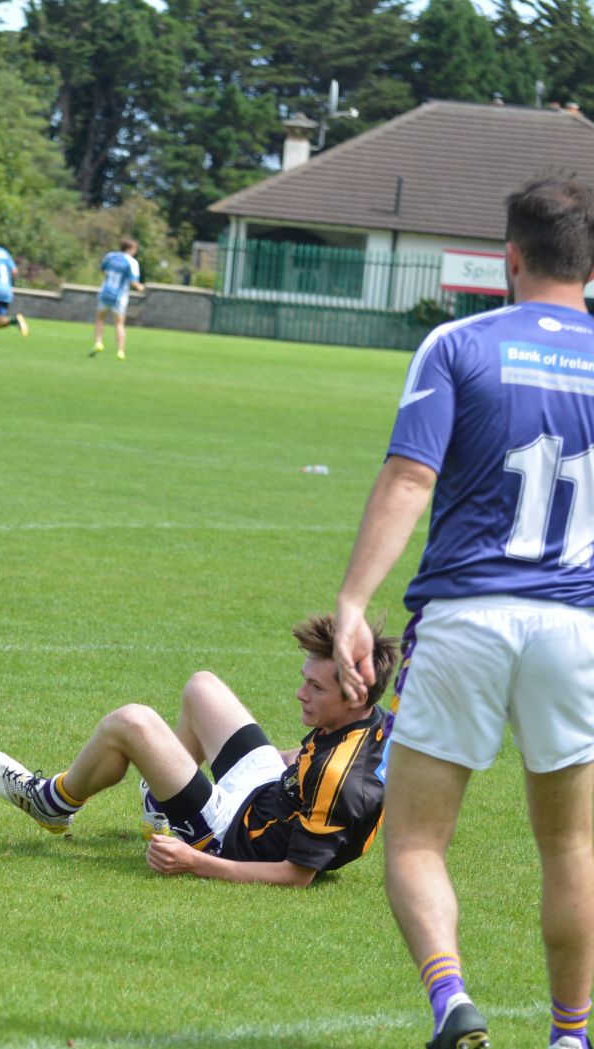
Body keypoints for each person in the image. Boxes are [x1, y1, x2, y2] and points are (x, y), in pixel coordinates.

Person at [334, 178, 594, 1049]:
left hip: (466, 620)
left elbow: (410, 477)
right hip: (575, 630)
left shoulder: (458, 343)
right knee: (569, 847)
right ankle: (570, 1036)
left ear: (509, 258)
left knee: (414, 841)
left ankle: (452, 1000)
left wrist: (352, 602)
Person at [0, 615, 399, 887]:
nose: (299, 693)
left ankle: (54, 803)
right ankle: (164, 809)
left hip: (232, 837)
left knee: (133, 722)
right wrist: (260, 755)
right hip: (269, 794)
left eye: (316, 687)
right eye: (304, 679)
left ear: (353, 694)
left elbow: (296, 875)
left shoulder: (339, 777)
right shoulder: (367, 720)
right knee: (203, 688)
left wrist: (192, 861)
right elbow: (307, 766)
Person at [91, 237, 145, 360]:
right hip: (119, 297)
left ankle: (98, 342)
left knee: (100, 319)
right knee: (119, 324)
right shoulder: (132, 262)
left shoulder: (110, 256)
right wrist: (141, 287)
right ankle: (120, 351)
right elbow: (134, 282)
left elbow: (103, 270)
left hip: (105, 292)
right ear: (130, 249)